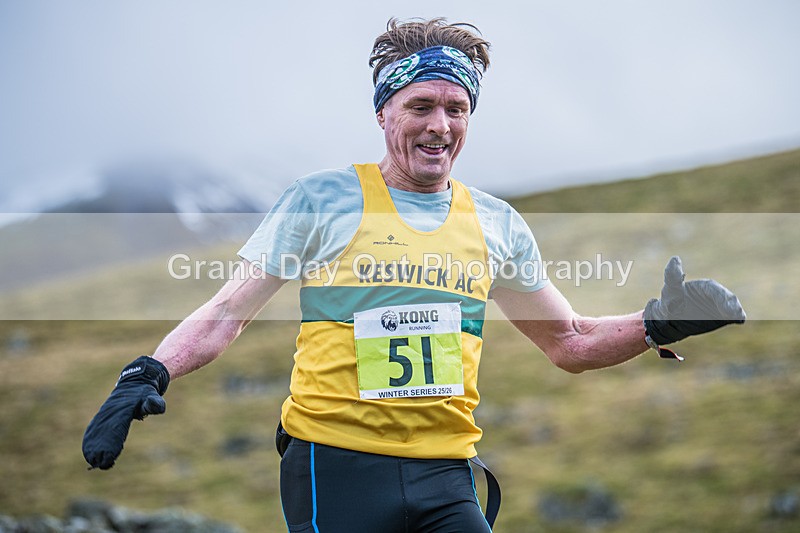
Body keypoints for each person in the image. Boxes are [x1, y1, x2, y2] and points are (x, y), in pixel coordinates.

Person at [82, 18, 745, 532]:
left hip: (446, 473)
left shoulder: (496, 222)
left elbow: (569, 341)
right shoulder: (322, 199)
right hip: (334, 466)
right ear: (383, 112)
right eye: (421, 105)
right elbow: (227, 312)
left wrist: (655, 321)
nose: (440, 125)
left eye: (456, 108)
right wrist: (146, 372)